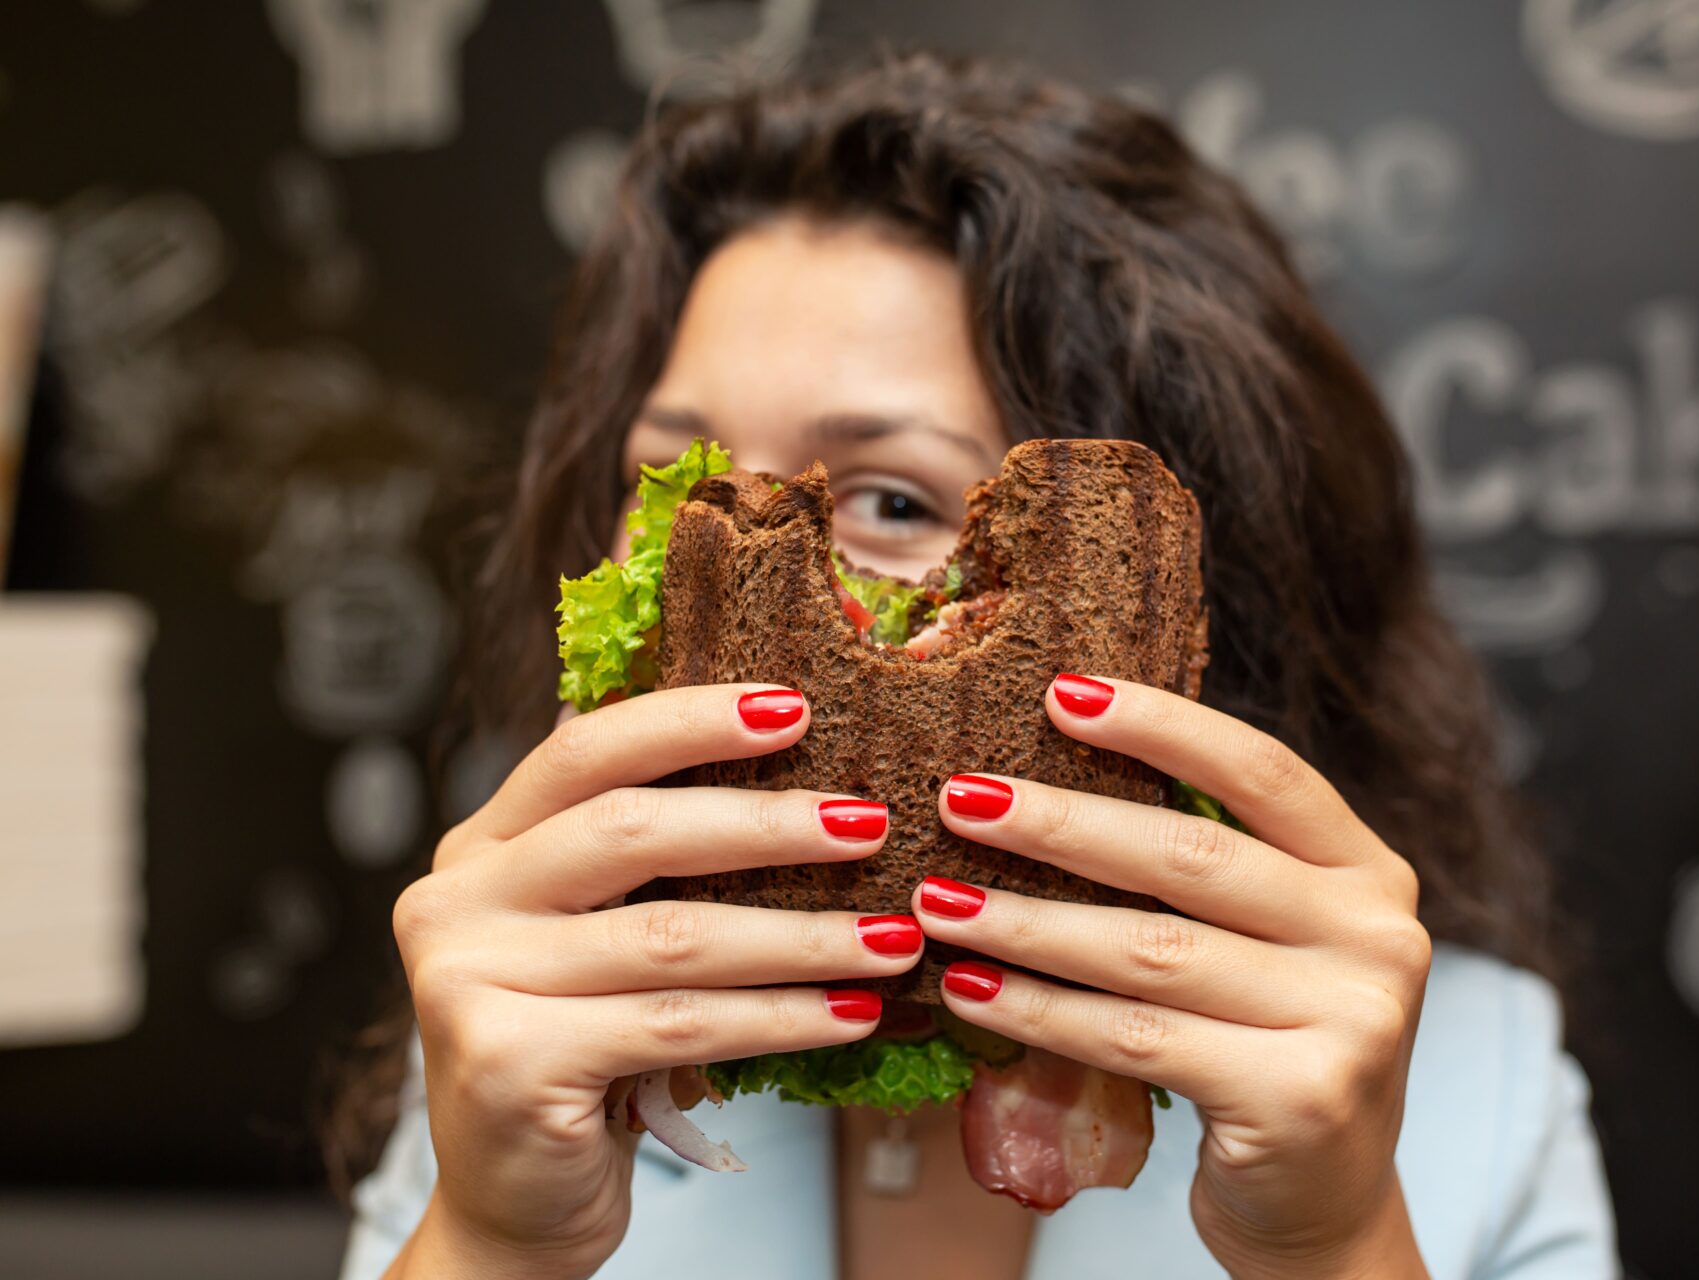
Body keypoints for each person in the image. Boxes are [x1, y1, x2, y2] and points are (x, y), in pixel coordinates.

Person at [335, 51, 1616, 1280]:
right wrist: (490, 1246)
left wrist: (1331, 1252)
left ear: (1182, 612)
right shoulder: (520, 1021)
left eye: (892, 498)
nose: (722, 575)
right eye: (674, 480)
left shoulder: (1468, 1082)